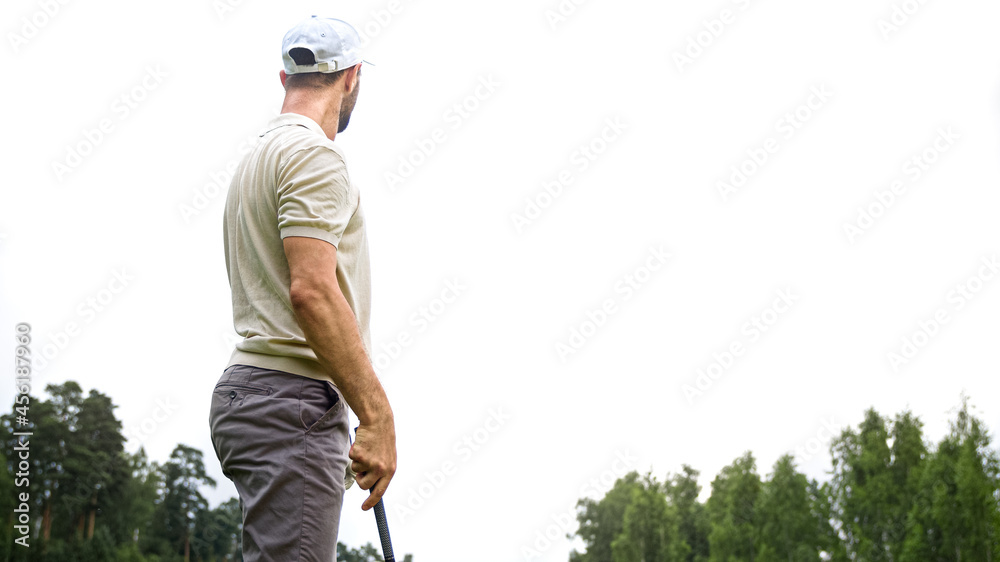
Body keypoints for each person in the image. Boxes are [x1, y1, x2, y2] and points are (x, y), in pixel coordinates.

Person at [209, 15, 396, 561]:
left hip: (258, 396)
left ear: (285, 78)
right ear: (352, 77)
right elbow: (311, 291)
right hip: (290, 401)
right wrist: (378, 416)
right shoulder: (316, 156)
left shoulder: (256, 157)